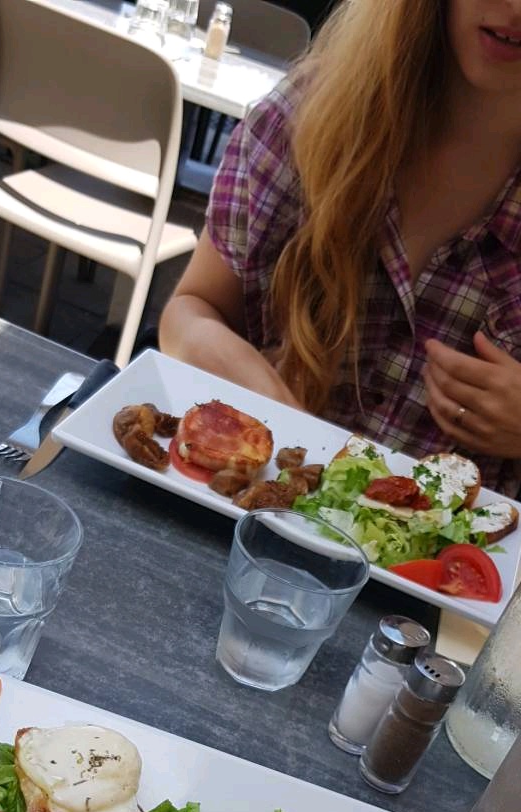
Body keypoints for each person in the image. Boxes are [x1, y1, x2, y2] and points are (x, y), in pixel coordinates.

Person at [160, 0, 521, 496]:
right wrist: (273, 406)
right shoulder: (308, 116)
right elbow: (189, 312)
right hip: (244, 509)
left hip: (441, 544)